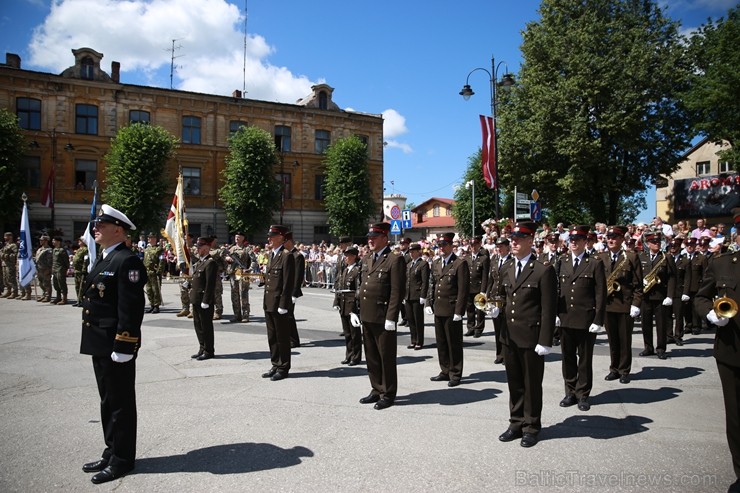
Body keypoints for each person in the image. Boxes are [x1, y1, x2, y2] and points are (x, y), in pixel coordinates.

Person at [79, 204, 146, 484]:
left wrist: (124, 345)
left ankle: (122, 460)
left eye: (101, 226)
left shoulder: (126, 260)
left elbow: (130, 308)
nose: (96, 229)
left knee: (120, 403)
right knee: (107, 400)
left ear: (118, 230)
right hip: (99, 341)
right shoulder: (106, 257)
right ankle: (112, 450)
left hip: (115, 345)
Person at [489, 221, 556, 448]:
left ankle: (531, 426)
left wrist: (545, 340)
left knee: (531, 384)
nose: (514, 243)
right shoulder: (506, 267)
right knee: (514, 383)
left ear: (530, 241)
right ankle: (516, 422)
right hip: (509, 336)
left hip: (531, 337)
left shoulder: (542, 270)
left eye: (518, 239)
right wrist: (496, 308)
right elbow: (502, 297)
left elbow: (548, 308)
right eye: (512, 239)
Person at [694, 220, 740, 493]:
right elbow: (702, 296)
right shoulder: (722, 263)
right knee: (735, 416)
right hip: (732, 351)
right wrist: (710, 314)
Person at [555, 225, 606, 412]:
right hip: (565, 318)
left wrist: (598, 319)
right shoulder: (562, 260)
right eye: (571, 240)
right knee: (567, 358)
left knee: (584, 359)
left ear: (586, 242)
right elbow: (557, 290)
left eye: (578, 240)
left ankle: (583, 393)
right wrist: (555, 313)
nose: (574, 243)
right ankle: (570, 392)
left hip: (586, 319)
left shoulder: (594, 263)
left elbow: (601, 293)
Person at [357, 223, 406, 410]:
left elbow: (397, 291)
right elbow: (363, 285)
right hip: (367, 314)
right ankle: (376, 388)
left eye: (374, 237)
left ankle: (388, 393)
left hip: (383, 315)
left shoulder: (394, 260)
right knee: (371, 356)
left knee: (386, 356)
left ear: (385, 238)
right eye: (369, 238)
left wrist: (391, 317)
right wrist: (356, 309)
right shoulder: (368, 258)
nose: (370, 240)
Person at [598, 225, 643, 384]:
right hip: (608, 305)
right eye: (608, 238)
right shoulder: (601, 257)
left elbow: (638, 284)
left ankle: (624, 370)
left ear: (621, 240)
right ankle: (614, 369)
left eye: (614, 238)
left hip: (625, 304)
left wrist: (636, 304)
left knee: (624, 340)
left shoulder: (631, 257)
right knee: (612, 340)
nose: (610, 240)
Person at [426, 232, 470, 387]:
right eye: (440, 245)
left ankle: (456, 373)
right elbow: (432, 284)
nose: (442, 248)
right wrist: (428, 303)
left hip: (452, 309)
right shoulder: (436, 263)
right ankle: (445, 370)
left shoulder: (459, 263)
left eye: (445, 245)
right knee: (442, 342)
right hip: (439, 308)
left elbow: (463, 290)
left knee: (454, 343)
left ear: (452, 246)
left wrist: (459, 311)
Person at [262, 225, 295, 381]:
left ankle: (283, 367)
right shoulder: (271, 255)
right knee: (272, 336)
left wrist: (283, 304)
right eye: (269, 236)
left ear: (281, 238)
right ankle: (275, 363)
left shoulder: (286, 256)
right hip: (269, 302)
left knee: (282, 337)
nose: (269, 238)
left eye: (273, 236)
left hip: (279, 304)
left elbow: (288, 283)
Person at [639, 230, 676, 359]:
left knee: (661, 324)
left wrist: (670, 296)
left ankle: (661, 348)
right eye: (653, 242)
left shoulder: (667, 257)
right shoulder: (641, 256)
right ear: (648, 244)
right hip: (645, 295)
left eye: (658, 242)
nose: (657, 244)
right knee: (646, 323)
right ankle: (648, 347)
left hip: (660, 296)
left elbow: (672, 278)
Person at [190, 236, 218, 360]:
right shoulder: (201, 262)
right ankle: (202, 347)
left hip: (203, 300)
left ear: (207, 247)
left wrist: (206, 300)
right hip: (196, 298)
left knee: (206, 326)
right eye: (197, 246)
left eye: (200, 246)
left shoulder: (210, 263)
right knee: (198, 325)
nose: (198, 249)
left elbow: (210, 284)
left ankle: (209, 350)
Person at [333, 246, 362, 365]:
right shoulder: (345, 270)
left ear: (354, 256)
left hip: (352, 306)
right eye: (345, 255)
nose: (345, 258)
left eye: (348, 255)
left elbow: (359, 289)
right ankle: (349, 355)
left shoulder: (357, 270)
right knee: (347, 333)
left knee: (355, 334)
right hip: (343, 304)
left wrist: (356, 307)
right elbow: (339, 287)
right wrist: (336, 301)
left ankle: (356, 356)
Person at [487, 237, 514, 365]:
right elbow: (491, 279)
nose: (499, 249)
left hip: (506, 298)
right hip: (494, 297)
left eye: (502, 246)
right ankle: (499, 353)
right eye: (497, 247)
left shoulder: (512, 261)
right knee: (497, 327)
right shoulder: (494, 260)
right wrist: (487, 297)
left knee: (506, 328)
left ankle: (507, 353)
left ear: (508, 247)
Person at [404, 243, 429, 350]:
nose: (411, 253)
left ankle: (419, 341)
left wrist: (423, 295)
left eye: (413, 251)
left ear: (419, 251)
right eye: (410, 252)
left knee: (418, 319)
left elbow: (425, 281)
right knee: (410, 319)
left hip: (417, 295)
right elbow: (406, 281)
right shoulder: (409, 265)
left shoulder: (423, 264)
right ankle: (413, 340)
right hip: (408, 295)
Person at [667, 237, 691, 346]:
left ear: (679, 247)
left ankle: (678, 336)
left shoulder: (685, 261)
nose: (673, 248)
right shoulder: (665, 259)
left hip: (679, 291)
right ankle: (669, 335)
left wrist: (686, 292)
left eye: (675, 246)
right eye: (671, 246)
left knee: (679, 316)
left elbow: (687, 278)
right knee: (667, 315)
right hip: (667, 292)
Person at [465, 235, 489, 338]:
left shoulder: (483, 258)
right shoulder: (466, 258)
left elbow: (485, 276)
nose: (473, 247)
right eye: (471, 245)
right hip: (469, 287)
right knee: (469, 309)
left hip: (479, 287)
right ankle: (470, 327)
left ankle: (479, 329)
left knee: (480, 310)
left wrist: (483, 290)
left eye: (475, 244)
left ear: (479, 245)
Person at [225, 232, 253, 323]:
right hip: (233, 274)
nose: (237, 238)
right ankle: (237, 315)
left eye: (239, 237)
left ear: (243, 238)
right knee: (234, 295)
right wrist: (227, 259)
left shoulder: (247, 249)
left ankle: (245, 315)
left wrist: (249, 269)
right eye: (236, 237)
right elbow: (223, 258)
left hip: (243, 274)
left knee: (244, 294)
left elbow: (254, 260)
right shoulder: (231, 248)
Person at [284, 231, 304, 347]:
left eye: (284, 241)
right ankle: (288, 337)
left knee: (289, 315)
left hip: (291, 290)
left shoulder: (298, 256)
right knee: (286, 315)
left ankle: (294, 340)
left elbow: (298, 276)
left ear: (289, 241)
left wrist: (294, 293)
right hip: (284, 290)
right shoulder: (286, 254)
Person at [684, 237, 707, 336]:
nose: (690, 247)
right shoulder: (683, 257)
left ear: (695, 246)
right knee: (686, 308)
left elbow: (705, 273)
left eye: (692, 245)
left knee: (695, 307)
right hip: (684, 287)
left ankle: (696, 326)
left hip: (696, 286)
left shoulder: (701, 258)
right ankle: (688, 325)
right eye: (688, 245)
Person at [143, 232, 164, 314]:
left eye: (150, 237)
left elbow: (162, 260)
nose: (148, 239)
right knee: (148, 289)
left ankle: (156, 306)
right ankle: (151, 305)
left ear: (154, 239)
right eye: (148, 237)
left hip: (154, 272)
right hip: (147, 271)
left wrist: (159, 271)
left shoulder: (159, 249)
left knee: (156, 290)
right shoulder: (146, 249)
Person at [51, 236, 70, 305]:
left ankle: (64, 298)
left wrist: (66, 269)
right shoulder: (54, 249)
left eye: (54, 240)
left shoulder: (62, 250)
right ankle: (58, 297)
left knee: (62, 284)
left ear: (58, 241)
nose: (53, 242)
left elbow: (66, 261)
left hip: (60, 269)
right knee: (56, 284)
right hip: (54, 269)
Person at [35, 234, 53, 302]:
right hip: (39, 268)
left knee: (46, 283)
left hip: (45, 269)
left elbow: (50, 261)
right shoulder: (40, 249)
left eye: (41, 240)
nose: (40, 241)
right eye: (40, 240)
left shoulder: (49, 250)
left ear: (46, 241)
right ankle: (43, 294)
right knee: (40, 283)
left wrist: (48, 269)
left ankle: (48, 296)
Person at [72, 236, 89, 307]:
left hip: (81, 271)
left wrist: (84, 270)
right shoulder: (79, 249)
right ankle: (78, 300)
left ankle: (82, 301)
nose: (79, 241)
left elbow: (85, 260)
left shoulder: (85, 250)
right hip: (76, 271)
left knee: (82, 287)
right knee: (77, 286)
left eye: (80, 240)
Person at [1, 232, 19, 299]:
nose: (5, 238)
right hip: (4, 264)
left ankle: (14, 292)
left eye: (6, 236)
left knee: (11, 278)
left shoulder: (13, 245)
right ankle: (8, 291)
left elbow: (15, 255)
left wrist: (6, 256)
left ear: (10, 237)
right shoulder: (6, 245)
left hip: (10, 265)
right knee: (5, 279)